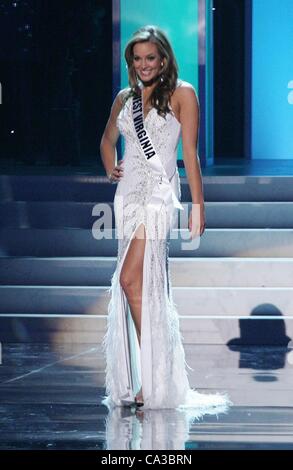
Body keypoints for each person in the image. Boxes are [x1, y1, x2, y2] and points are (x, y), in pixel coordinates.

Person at [100, 25, 231, 412]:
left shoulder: (183, 94)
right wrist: (110, 165)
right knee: (137, 286)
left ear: (164, 59)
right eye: (137, 59)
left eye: (150, 58)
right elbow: (107, 139)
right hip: (127, 196)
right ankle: (149, 378)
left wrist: (198, 205)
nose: (144, 65)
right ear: (131, 62)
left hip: (159, 194)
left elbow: (189, 154)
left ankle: (154, 378)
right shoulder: (125, 99)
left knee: (131, 280)